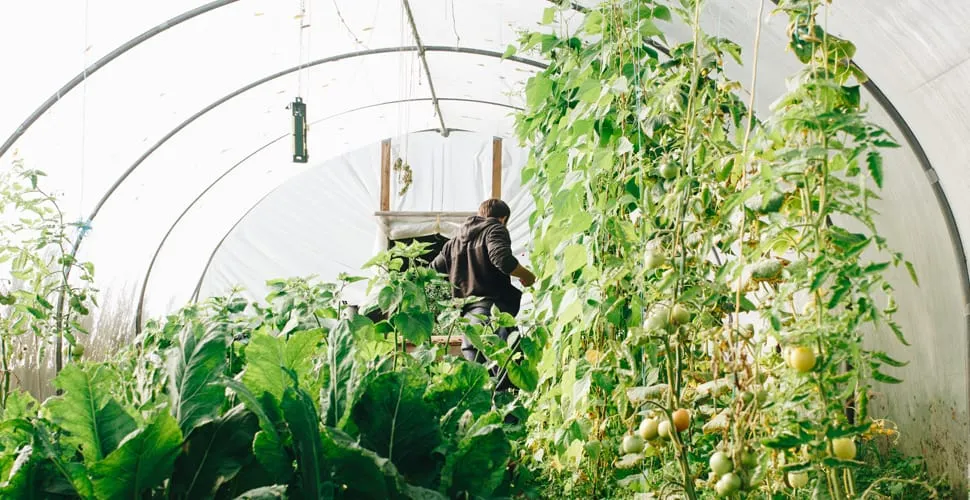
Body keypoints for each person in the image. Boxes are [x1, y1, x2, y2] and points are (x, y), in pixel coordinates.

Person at [430, 199, 536, 388]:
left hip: (467, 324)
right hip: (491, 317)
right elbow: (502, 259)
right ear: (503, 219)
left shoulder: (454, 242)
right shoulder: (494, 229)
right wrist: (527, 275)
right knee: (508, 378)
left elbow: (433, 271)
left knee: (481, 386)